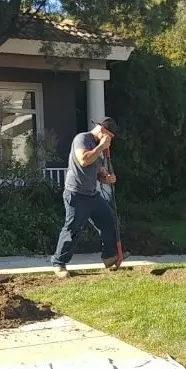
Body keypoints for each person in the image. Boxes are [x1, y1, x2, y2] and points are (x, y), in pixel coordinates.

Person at [52, 117, 121, 278]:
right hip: (76, 193)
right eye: (109, 136)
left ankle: (109, 257)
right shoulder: (82, 139)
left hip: (92, 194)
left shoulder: (100, 148)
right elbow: (83, 160)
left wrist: (107, 178)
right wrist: (101, 146)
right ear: (102, 130)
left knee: (108, 219)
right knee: (73, 228)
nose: (109, 141)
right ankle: (59, 263)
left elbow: (99, 173)